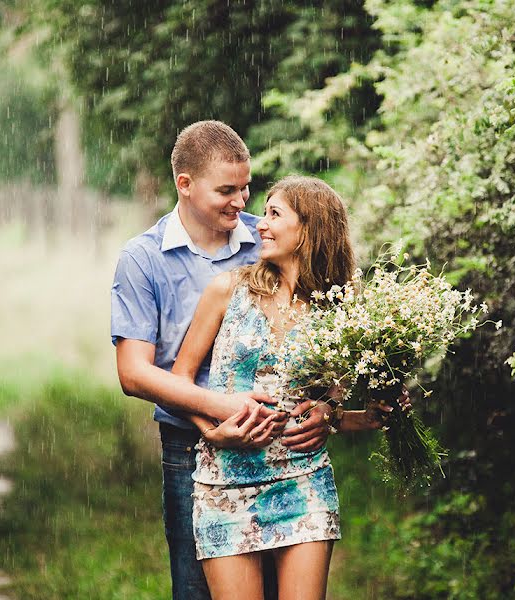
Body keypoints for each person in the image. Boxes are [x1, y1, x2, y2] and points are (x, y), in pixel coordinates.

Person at [111, 122, 336, 600]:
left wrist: (329, 410)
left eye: (246, 188)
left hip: (283, 448)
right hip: (190, 445)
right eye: (227, 191)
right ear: (185, 185)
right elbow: (133, 372)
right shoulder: (144, 259)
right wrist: (214, 416)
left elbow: (323, 329)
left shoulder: (269, 238)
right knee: (196, 589)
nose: (242, 202)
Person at [171, 175, 393, 600]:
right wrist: (210, 429)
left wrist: (350, 415)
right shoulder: (228, 290)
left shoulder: (343, 308)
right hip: (223, 484)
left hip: (303, 481)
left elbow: (328, 405)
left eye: (275, 214)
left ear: (308, 228)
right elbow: (180, 380)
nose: (261, 224)